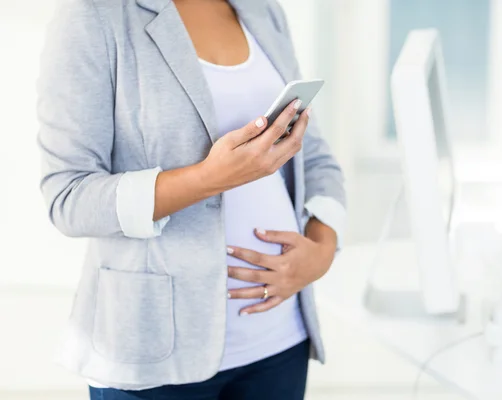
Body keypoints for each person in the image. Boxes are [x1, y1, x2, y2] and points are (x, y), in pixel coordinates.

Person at [36, 0, 346, 399]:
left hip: (281, 339)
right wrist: (207, 179)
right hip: (156, 355)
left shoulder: (262, 10)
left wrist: (323, 248)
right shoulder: (94, 16)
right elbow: (68, 196)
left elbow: (314, 154)